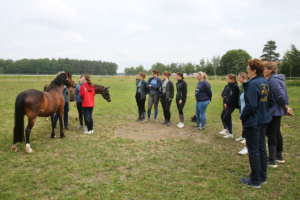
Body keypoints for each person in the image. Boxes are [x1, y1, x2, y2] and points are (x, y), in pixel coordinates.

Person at [240, 58, 274, 188]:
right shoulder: (265, 82)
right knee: (261, 148)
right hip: (264, 119)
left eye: (248, 69)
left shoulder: (252, 83)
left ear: (254, 70)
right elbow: (271, 102)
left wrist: (243, 116)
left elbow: (251, 105)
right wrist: (263, 110)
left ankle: (255, 180)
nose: (247, 71)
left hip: (253, 121)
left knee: (253, 150)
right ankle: (262, 176)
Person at [264, 62, 294, 167]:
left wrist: (286, 108)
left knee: (271, 133)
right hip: (278, 111)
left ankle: (272, 159)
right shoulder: (279, 80)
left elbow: (281, 96)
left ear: (271, 69)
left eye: (265, 69)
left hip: (273, 111)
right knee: (276, 133)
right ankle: (279, 156)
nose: (263, 71)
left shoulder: (273, 81)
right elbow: (285, 95)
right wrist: (286, 107)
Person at [220, 74, 240, 138]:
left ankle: (229, 132)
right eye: (226, 79)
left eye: (228, 79)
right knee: (225, 117)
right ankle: (230, 133)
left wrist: (227, 104)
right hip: (228, 104)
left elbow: (233, 97)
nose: (227, 80)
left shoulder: (235, 86)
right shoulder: (229, 86)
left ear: (232, 79)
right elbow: (227, 95)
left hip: (232, 105)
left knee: (225, 117)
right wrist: (225, 102)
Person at [236, 72, 248, 155]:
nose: (238, 79)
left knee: (246, 124)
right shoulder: (241, 86)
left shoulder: (247, 85)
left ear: (244, 78)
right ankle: (243, 136)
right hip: (241, 106)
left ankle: (246, 138)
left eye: (240, 78)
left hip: (246, 108)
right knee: (243, 123)